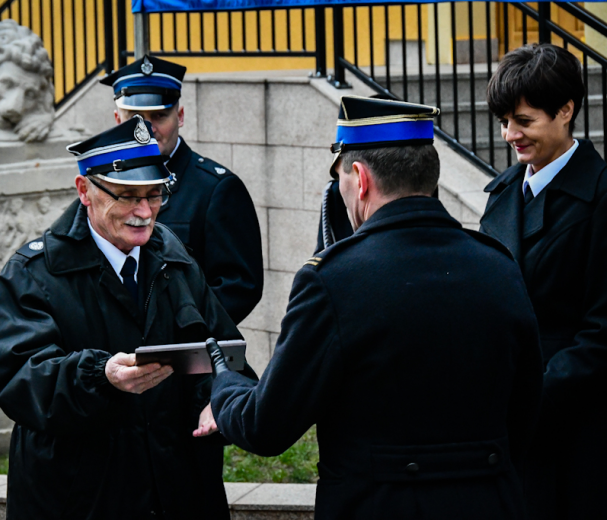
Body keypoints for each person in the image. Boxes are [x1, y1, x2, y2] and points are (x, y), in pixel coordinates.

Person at [201, 96, 544, 520]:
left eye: (340, 180)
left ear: (360, 179)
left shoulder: (332, 279)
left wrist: (224, 388)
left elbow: (265, 427)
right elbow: (527, 407)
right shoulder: (498, 264)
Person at [0, 116, 246, 519]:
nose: (144, 211)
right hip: (82, 498)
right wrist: (99, 376)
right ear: (84, 191)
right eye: (127, 196)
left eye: (155, 194)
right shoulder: (33, 272)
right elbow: (18, 379)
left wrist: (220, 398)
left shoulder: (174, 258)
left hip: (179, 491)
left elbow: (224, 351)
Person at [480, 43, 607, 520]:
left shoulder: (599, 196)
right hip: (508, 424)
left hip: (575, 427)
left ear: (566, 110)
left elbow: (600, 335)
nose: (510, 134)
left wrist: (527, 399)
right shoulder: (504, 193)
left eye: (524, 121)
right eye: (504, 121)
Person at [100, 55, 263, 325]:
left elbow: (239, 287)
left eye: (159, 116)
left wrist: (177, 331)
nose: (147, 130)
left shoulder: (215, 188)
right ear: (118, 119)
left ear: (181, 116)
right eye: (136, 118)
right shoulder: (101, 187)